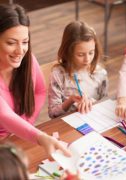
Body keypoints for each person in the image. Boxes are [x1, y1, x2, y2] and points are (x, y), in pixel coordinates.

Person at [0, 4, 70, 156]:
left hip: (19, 138)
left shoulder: (28, 60)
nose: (20, 51)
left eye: (25, 42)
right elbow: (4, 115)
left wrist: (26, 123)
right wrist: (39, 136)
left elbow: (39, 90)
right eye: (11, 43)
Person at [48, 21, 108, 118]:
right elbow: (52, 114)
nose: (87, 59)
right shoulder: (58, 74)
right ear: (68, 52)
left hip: (95, 121)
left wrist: (93, 103)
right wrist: (70, 100)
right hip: (68, 126)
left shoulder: (100, 73)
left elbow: (105, 103)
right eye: (80, 54)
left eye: (91, 52)